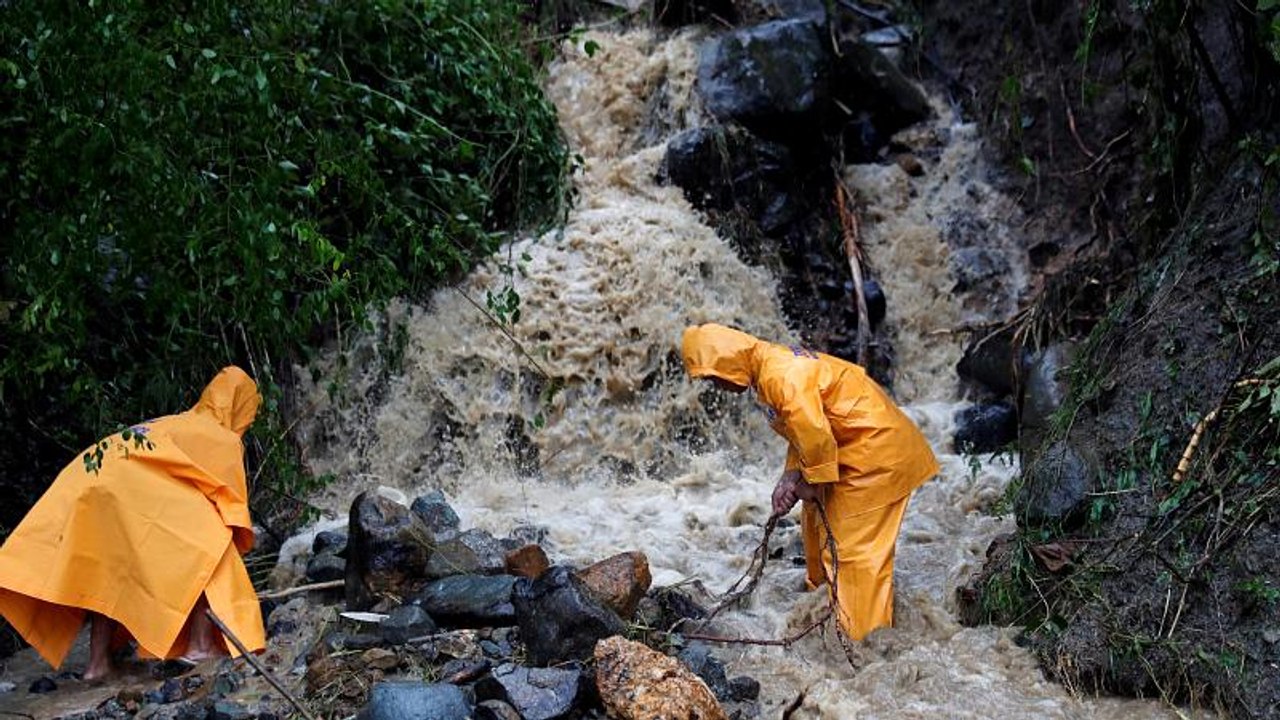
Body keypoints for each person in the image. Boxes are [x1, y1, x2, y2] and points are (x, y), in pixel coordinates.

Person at [0, 366, 267, 680]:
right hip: (123, 487)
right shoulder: (220, 436)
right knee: (210, 548)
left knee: (108, 571)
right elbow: (229, 508)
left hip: (89, 477)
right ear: (241, 407)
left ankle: (97, 666)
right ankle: (199, 646)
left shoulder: (177, 422)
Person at [682, 323, 938, 640]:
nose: (714, 385)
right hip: (852, 452)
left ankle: (863, 643)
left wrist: (811, 485)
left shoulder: (780, 375)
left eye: (711, 376)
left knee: (852, 556)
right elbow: (803, 429)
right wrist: (790, 477)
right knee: (816, 533)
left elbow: (816, 435)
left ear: (727, 361)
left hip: (876, 457)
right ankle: (825, 616)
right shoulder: (769, 367)